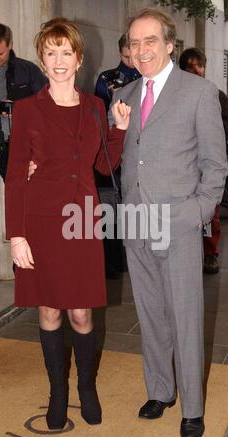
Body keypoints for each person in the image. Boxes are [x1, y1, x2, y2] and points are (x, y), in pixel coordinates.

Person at [5, 17, 130, 431]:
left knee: (80, 313)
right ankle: (57, 393)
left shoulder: (96, 108)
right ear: (42, 59)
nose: (58, 60)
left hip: (81, 222)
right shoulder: (26, 110)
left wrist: (119, 132)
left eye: (66, 52)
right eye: (50, 52)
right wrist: (17, 235)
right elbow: (17, 170)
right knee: (49, 310)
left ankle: (87, 389)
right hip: (40, 221)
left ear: (79, 58)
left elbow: (102, 166)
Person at [109, 8, 228, 437]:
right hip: (137, 222)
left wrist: (198, 212)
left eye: (150, 41)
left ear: (169, 44)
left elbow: (215, 167)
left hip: (177, 223)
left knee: (185, 316)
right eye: (135, 43)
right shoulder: (123, 94)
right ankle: (160, 390)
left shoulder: (198, 92)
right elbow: (117, 156)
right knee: (151, 313)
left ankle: (192, 407)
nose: (141, 50)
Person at [0, 23, 47, 285]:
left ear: (9, 44)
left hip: (19, 147)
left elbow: (48, 105)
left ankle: (24, 267)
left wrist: (18, 111)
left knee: (23, 207)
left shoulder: (28, 70)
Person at [179, 47, 228, 275]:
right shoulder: (173, 95)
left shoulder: (216, 94)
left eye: (199, 66)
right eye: (190, 67)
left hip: (207, 165)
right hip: (182, 165)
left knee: (209, 213)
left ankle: (210, 254)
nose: (196, 70)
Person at [95, 34, 140, 279]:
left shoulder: (149, 77)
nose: (132, 59)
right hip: (115, 148)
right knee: (113, 208)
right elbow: (100, 116)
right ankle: (114, 263)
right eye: (126, 55)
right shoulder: (107, 78)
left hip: (142, 153)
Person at [95, 33, 140, 112]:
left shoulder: (149, 76)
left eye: (134, 56)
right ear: (120, 54)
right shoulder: (106, 78)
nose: (131, 61)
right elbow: (99, 113)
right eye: (126, 57)